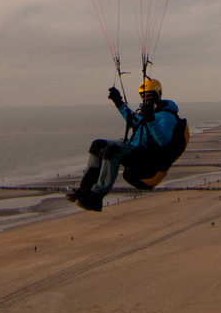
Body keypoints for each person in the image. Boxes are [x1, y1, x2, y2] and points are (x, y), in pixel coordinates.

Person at [67, 77, 181, 212]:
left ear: (158, 95)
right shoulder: (147, 112)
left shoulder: (167, 116)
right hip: (133, 145)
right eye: (143, 96)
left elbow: (164, 140)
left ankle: (97, 196)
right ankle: (84, 189)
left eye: (149, 96)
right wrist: (118, 103)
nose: (146, 99)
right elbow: (133, 120)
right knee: (97, 145)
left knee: (112, 151)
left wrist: (151, 119)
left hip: (145, 154)